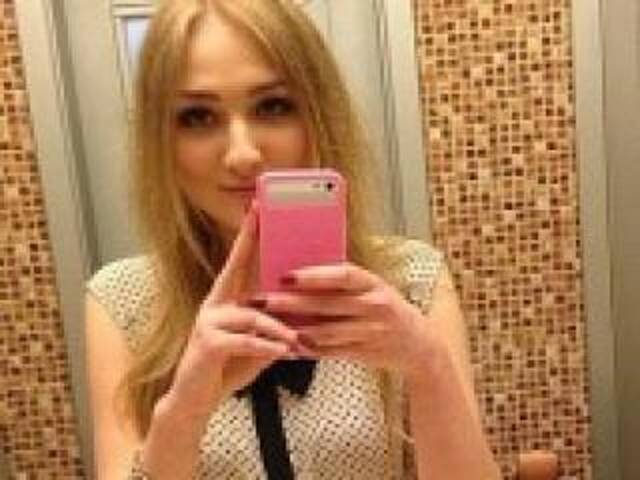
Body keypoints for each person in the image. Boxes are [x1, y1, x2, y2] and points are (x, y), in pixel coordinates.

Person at [85, 0, 501, 479]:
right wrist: (183, 410)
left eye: (273, 107)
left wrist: (429, 366)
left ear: (317, 116)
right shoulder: (124, 304)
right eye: (197, 117)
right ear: (161, 140)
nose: (242, 154)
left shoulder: (411, 282)